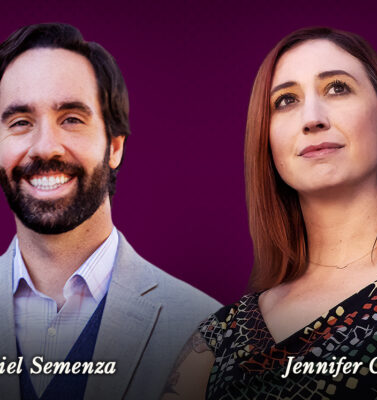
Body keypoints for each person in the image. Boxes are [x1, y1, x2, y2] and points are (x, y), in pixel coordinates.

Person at [163, 27, 377, 400]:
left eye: (337, 88)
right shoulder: (218, 337)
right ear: (268, 140)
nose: (312, 118)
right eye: (286, 100)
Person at [0, 23, 220, 400]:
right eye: (20, 123)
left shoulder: (206, 329)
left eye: (71, 118)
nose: (45, 147)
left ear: (114, 146)